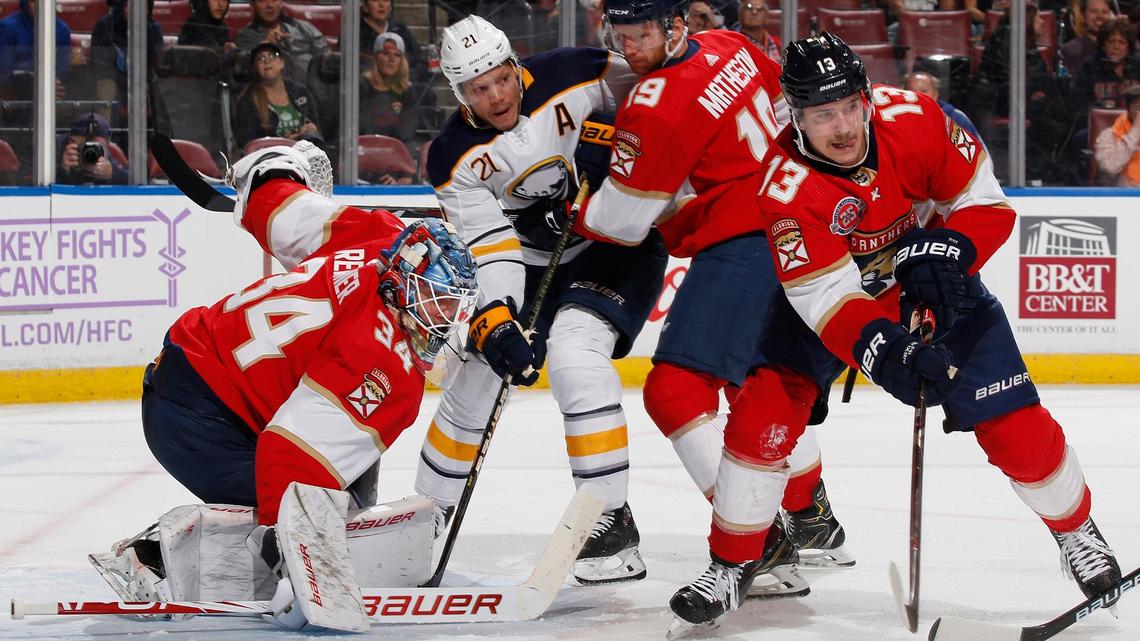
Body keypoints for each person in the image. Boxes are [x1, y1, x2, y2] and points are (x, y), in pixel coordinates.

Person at [710, 31, 1118, 633]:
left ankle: (1078, 533)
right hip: (837, 298)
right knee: (762, 409)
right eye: (823, 114)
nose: (844, 125)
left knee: (1015, 427)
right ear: (794, 116)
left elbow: (985, 202)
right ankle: (730, 565)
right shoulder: (785, 185)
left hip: (934, 285)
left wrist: (953, 251)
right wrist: (884, 347)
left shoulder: (915, 119)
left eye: (851, 104)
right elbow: (825, 295)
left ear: (866, 96)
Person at [574, 0, 855, 628]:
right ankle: (809, 514)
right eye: (619, 33)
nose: (628, 45)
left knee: (674, 389)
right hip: (806, 221)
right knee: (763, 382)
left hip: (748, 240)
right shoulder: (732, 43)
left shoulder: (653, 101)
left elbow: (622, 222)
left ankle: (762, 540)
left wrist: (578, 200)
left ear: (674, 26)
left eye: (640, 32)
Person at [420, 15, 669, 585]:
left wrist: (622, 154)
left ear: (515, 64)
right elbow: (492, 242)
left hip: (616, 247)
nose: (495, 96)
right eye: (477, 90)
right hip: (533, 266)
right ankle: (426, 518)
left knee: (574, 356)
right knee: (475, 373)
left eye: (501, 79)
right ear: (459, 94)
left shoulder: (574, 72)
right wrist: (500, 316)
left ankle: (609, 517)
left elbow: (665, 96)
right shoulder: (451, 157)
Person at [141, 142, 478, 527]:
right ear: (405, 286)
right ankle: (179, 556)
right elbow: (290, 458)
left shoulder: (383, 236)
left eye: (453, 304)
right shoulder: (384, 362)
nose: (445, 318)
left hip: (190, 357)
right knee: (340, 520)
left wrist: (274, 173)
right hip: (199, 424)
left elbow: (282, 211)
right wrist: (306, 554)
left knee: (340, 491)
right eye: (438, 300)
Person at [233, 41, 321, 149]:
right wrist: (284, 142)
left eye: (272, 56)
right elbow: (245, 143)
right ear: (255, 68)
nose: (267, 61)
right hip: (270, 160)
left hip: (305, 153)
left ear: (282, 62)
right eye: (260, 58)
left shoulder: (300, 91)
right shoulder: (247, 99)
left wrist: (312, 128)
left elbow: (316, 125)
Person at [235, 0, 329, 81]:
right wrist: (266, 46)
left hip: (313, 90)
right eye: (262, 0)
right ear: (252, 6)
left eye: (274, 0)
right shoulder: (245, 37)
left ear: (281, 2)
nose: (270, 5)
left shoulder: (304, 28)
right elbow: (247, 69)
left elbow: (327, 59)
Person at [360, 32, 421, 156]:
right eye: (385, 54)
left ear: (402, 61)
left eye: (397, 55)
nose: (391, 59)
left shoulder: (407, 91)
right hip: (367, 150)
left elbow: (407, 132)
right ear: (376, 57)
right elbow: (363, 127)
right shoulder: (362, 86)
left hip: (396, 153)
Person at [0, 0, 70, 95]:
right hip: (17, 95)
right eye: (33, 1)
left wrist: (51, 87)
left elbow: (62, 71)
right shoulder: (6, 28)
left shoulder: (62, 30)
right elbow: (5, 73)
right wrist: (36, 85)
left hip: (54, 93)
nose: (39, 5)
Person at [904, 70, 983, 140]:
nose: (917, 95)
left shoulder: (955, 118)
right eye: (911, 91)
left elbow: (977, 154)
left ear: (936, 93)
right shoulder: (896, 118)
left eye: (924, 90)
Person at [360, 0, 427, 82]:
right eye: (375, 0)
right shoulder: (355, 33)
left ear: (390, 7)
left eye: (385, 0)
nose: (381, 4)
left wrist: (403, 78)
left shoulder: (401, 29)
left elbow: (420, 61)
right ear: (365, 7)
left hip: (404, 86)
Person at [55, 112, 128, 185]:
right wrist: (62, 171)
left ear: (106, 144)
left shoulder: (108, 157)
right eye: (84, 147)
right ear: (70, 142)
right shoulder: (54, 153)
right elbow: (45, 182)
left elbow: (131, 179)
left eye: (95, 147)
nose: (90, 153)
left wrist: (112, 174)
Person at [1094, 83, 1140, 184]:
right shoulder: (1109, 136)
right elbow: (1111, 167)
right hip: (1125, 194)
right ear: (1129, 110)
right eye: (1138, 107)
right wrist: (1136, 131)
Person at [1061, 0, 1114, 72]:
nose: (1100, 16)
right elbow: (1065, 79)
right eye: (1094, 11)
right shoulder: (1070, 50)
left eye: (1105, 12)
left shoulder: (1120, 48)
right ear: (1082, 16)